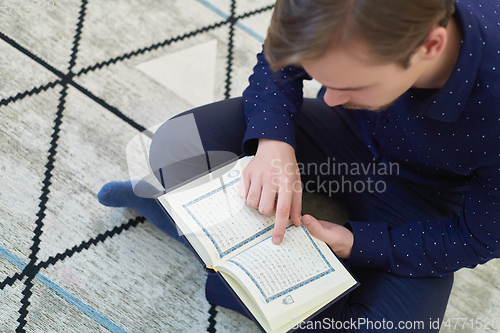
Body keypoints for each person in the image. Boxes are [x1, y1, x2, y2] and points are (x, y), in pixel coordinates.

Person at [99, 0, 500, 331]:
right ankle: (288, 288)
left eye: (354, 85)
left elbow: (476, 237)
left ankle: (213, 249)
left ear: (430, 46)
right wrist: (274, 145)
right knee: (174, 147)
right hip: (339, 133)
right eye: (328, 79)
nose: (329, 95)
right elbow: (279, 58)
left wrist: (359, 244)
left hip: (422, 196)